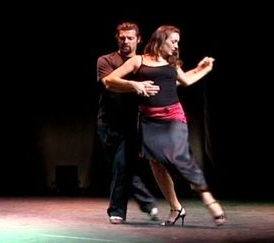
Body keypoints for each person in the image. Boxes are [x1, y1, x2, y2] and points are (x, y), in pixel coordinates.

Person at [103, 25, 226, 226]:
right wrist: (135, 85)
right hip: (149, 121)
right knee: (156, 161)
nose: (176, 45)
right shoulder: (138, 60)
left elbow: (185, 80)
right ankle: (176, 207)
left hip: (173, 117)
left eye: (178, 42)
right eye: (173, 41)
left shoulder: (171, 63)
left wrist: (203, 69)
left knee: (179, 157)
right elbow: (110, 80)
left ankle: (209, 200)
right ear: (161, 40)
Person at [96, 22, 161, 224]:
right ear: (117, 39)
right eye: (122, 38)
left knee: (122, 165)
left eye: (130, 38)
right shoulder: (106, 60)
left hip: (132, 125)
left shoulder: (143, 63)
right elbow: (109, 83)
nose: (126, 41)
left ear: (138, 39)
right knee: (121, 167)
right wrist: (134, 85)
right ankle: (147, 202)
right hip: (107, 123)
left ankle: (117, 210)